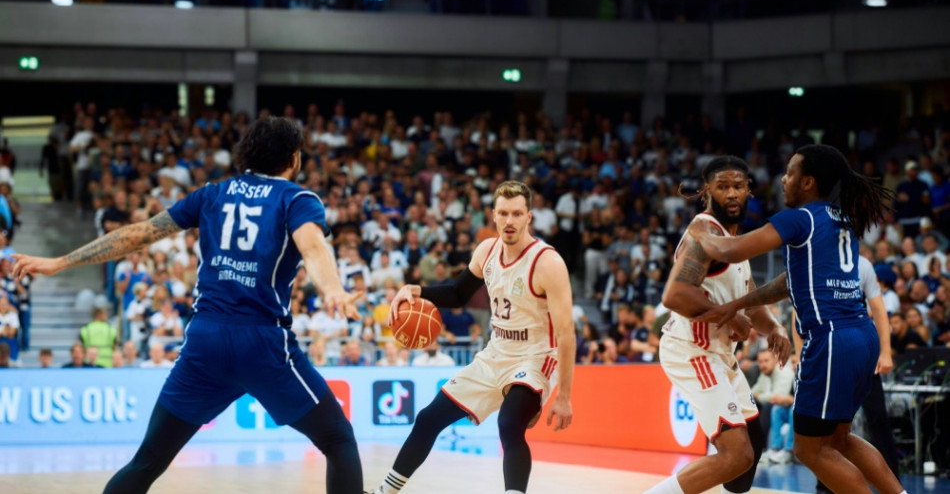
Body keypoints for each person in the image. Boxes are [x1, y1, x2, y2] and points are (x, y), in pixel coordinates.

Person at [13, 117, 364, 494]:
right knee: (338, 439)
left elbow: (137, 235)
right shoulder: (297, 199)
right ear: (293, 158)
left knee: (147, 461)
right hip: (262, 344)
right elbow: (313, 246)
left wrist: (60, 262)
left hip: (205, 342)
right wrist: (333, 290)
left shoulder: (211, 194)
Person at [691, 145, 905, 494]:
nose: (783, 179)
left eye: (790, 173)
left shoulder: (799, 218)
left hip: (832, 340)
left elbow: (731, 249)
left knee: (809, 449)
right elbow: (790, 281)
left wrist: (698, 229)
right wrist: (741, 303)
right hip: (861, 336)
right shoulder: (840, 218)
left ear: (807, 182)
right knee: (839, 440)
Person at [367, 181, 575, 494]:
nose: (509, 220)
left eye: (517, 213)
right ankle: (385, 491)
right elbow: (457, 293)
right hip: (495, 354)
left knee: (508, 424)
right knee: (427, 418)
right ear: (493, 215)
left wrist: (564, 397)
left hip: (535, 357)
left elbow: (566, 334)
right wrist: (415, 289)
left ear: (529, 216)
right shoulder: (486, 251)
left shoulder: (548, 262)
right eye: (503, 213)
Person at [646, 156, 790, 494]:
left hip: (721, 355)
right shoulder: (705, 232)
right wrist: (729, 315)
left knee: (752, 445)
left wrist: (775, 328)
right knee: (736, 454)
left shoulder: (735, 242)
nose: (731, 193)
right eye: (722, 186)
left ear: (749, 190)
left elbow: (750, 299)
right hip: (693, 350)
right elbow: (675, 294)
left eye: (738, 186)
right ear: (706, 191)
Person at [809, 255, 900, 493]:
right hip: (829, 353)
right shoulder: (815, 258)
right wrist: (800, 354)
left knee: (876, 417)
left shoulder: (862, 264)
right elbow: (798, 313)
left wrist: (886, 352)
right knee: (829, 428)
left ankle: (894, 483)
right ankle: (825, 485)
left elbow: (878, 309)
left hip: (860, 350)